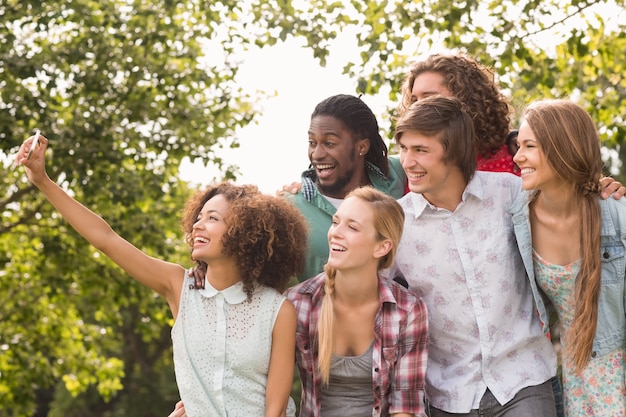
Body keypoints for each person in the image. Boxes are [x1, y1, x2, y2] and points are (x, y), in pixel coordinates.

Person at [15, 134, 308, 417]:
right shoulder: (180, 287)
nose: (198, 225)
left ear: (245, 234)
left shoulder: (276, 310)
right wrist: (42, 180)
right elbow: (105, 238)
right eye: (199, 217)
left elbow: (277, 410)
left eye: (213, 218)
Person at [387, 96, 559, 416]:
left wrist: (604, 191)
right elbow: (364, 290)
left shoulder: (510, 192)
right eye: (404, 149)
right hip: (448, 395)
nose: (408, 161)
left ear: (454, 152)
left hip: (523, 378)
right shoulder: (394, 222)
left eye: (421, 150)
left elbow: (569, 206)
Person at [511, 99, 626, 416]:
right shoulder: (518, 220)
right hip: (577, 374)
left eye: (529, 146)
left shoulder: (617, 215)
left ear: (563, 148)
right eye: (518, 146)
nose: (517, 157)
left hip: (617, 365)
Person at [285, 186, 429, 417]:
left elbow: (405, 407)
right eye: (335, 222)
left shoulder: (408, 310)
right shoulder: (298, 303)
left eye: (352, 227)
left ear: (382, 247)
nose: (335, 233)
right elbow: (271, 389)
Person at [287, 94, 406, 282]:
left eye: (329, 143)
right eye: (312, 143)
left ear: (362, 146)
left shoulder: (399, 172)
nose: (317, 154)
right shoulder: (290, 208)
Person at [398, 53, 517, 175]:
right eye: (414, 100)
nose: (418, 107)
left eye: (429, 98)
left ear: (465, 99)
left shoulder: (514, 165)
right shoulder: (406, 166)